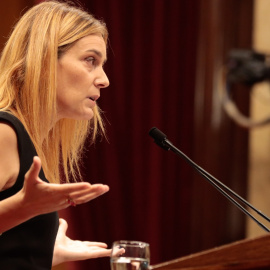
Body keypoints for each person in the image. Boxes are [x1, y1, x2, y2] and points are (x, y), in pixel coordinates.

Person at [0, 0, 113, 268]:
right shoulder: (4, 133)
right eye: (90, 60)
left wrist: (36, 251)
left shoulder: (28, 138)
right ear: (46, 59)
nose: (104, 79)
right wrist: (23, 208)